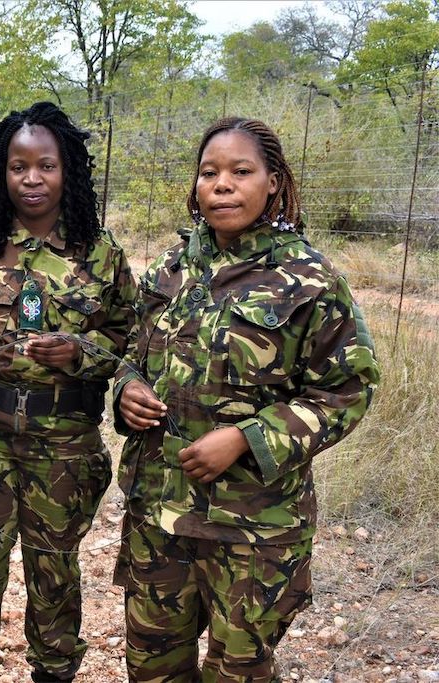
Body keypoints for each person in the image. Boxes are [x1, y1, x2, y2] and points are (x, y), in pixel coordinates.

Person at [113, 117, 381, 681]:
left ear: (274, 182)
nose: (222, 185)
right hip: (158, 514)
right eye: (209, 173)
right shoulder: (171, 267)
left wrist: (245, 438)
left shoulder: (307, 279)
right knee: (151, 667)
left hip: (254, 527)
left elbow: (347, 390)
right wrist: (127, 390)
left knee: (238, 670)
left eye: (241, 171)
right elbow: (132, 356)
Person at [0, 101, 138, 683]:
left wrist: (80, 353)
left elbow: (133, 342)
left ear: (67, 171)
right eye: (19, 167)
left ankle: (55, 671)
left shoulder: (101, 256)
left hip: (64, 442)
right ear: (2, 173)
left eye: (46, 165)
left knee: (55, 575)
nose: (32, 179)